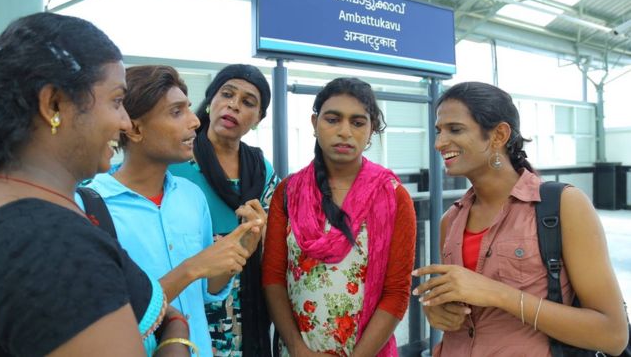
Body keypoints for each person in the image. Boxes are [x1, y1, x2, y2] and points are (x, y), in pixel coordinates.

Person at [0, 12, 190, 357]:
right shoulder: (50, 247)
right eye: (117, 101)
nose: (124, 120)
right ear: (53, 104)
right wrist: (177, 336)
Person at [413, 81, 629, 356]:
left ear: (499, 135)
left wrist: (498, 294)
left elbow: (612, 334)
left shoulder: (562, 205)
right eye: (438, 131)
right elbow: (462, 309)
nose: (439, 143)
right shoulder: (451, 221)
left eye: (455, 129)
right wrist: (438, 311)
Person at [83, 65, 265, 357]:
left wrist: (237, 253)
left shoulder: (191, 198)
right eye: (177, 112)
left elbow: (206, 290)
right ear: (136, 128)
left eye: (190, 109)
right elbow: (108, 319)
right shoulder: (92, 205)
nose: (195, 122)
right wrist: (192, 268)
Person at [262, 77, 417, 356]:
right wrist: (298, 349)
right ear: (314, 124)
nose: (345, 131)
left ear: (371, 131)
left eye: (358, 123)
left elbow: (396, 293)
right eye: (333, 120)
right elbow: (273, 278)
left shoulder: (393, 197)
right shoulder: (288, 192)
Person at [169, 63, 278, 356]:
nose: (234, 105)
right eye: (227, 94)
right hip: (190, 293)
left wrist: (260, 229)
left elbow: (276, 236)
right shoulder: (177, 161)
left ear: (258, 118)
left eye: (247, 102)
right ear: (210, 101)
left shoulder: (261, 169)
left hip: (246, 299)